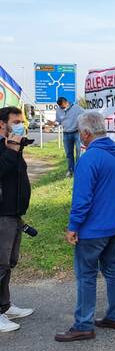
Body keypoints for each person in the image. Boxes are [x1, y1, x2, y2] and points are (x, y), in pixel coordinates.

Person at [55, 112, 115, 342]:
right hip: (114, 225)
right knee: (112, 270)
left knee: (86, 275)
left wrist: (73, 226)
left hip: (93, 229)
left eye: (80, 132)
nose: (80, 136)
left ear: (86, 133)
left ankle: (83, 324)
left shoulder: (89, 158)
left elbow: (82, 199)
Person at [0, 107, 34, 333]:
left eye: (22, 121)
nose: (20, 125)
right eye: (16, 121)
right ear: (2, 124)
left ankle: (5, 306)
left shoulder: (13, 145)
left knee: (8, 263)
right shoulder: (7, 147)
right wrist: (12, 148)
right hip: (1, 213)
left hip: (13, 212)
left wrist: (15, 146)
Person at [55, 97, 86, 177]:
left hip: (77, 133)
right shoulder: (58, 110)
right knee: (69, 154)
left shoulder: (76, 108)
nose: (62, 108)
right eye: (60, 107)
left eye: (63, 106)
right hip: (66, 133)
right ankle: (70, 170)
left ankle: (79, 171)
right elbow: (58, 121)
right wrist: (52, 124)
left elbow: (85, 115)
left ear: (66, 102)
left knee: (79, 152)